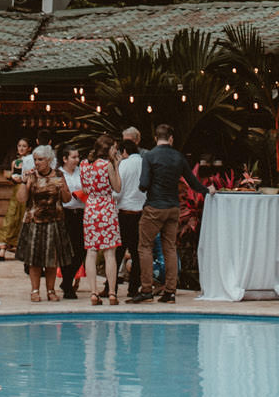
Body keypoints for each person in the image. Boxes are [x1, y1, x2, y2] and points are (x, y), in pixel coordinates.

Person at [127, 124, 210, 304]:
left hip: (154, 207)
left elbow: (143, 184)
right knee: (170, 248)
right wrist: (207, 190)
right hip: (173, 208)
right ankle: (170, 292)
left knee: (145, 247)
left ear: (156, 138)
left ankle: (147, 289)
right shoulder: (178, 157)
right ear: (171, 138)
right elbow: (193, 183)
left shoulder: (149, 156)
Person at [16, 146, 70, 302]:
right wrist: (23, 181)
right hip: (35, 221)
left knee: (51, 259)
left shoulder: (59, 175)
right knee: (35, 259)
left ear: (49, 160)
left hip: (54, 221)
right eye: (35, 160)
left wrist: (63, 188)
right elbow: (21, 199)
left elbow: (67, 199)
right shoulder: (32, 176)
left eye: (40, 160)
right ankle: (34, 290)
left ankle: (51, 290)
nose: (37, 163)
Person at [79, 136, 122, 304]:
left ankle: (93, 293)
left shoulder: (84, 164)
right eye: (114, 148)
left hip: (91, 208)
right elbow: (117, 187)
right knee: (109, 252)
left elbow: (84, 188)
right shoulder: (107, 165)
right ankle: (112, 293)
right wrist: (117, 167)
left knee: (91, 251)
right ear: (108, 149)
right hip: (106, 208)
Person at [115, 128, 146, 298]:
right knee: (137, 252)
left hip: (124, 212)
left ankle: (110, 287)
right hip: (140, 212)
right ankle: (133, 288)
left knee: (118, 251)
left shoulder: (123, 165)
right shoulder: (143, 162)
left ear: (124, 151)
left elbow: (117, 191)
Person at [0, 137, 34, 261]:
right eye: (19, 146)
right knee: (11, 218)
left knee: (25, 218)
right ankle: (2, 249)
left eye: (24, 146)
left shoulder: (32, 161)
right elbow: (11, 176)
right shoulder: (15, 162)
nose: (21, 148)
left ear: (29, 148)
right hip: (17, 191)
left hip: (28, 190)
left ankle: (21, 248)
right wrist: (11, 178)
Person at [59, 146, 87, 299]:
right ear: (65, 159)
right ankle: (67, 284)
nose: (77, 160)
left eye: (77, 157)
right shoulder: (59, 173)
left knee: (81, 249)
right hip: (66, 213)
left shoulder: (81, 172)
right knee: (66, 250)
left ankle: (67, 280)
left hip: (81, 212)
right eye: (73, 157)